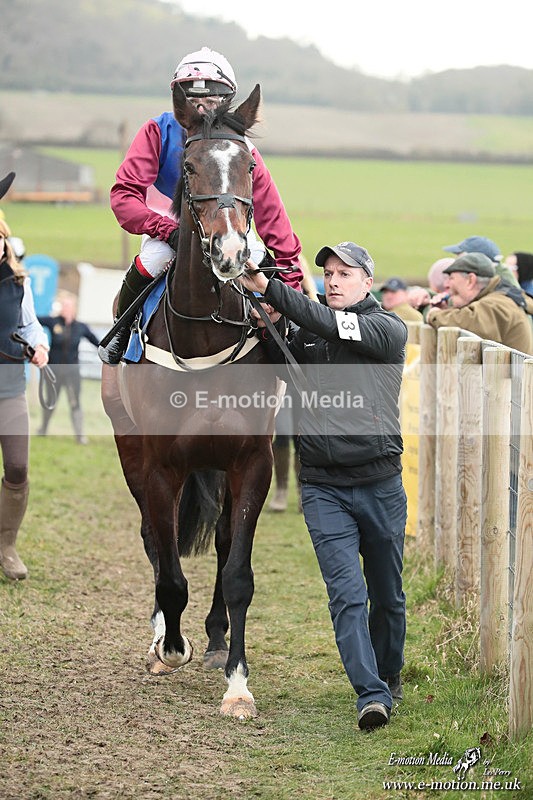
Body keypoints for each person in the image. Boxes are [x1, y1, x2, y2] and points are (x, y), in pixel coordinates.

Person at [240, 241, 408, 731]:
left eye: (344, 273)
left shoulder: (386, 329)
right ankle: (371, 694)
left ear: (367, 282)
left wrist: (270, 286)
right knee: (347, 594)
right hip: (323, 489)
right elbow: (287, 357)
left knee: (388, 594)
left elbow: (330, 324)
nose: (333, 281)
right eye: (328, 273)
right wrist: (268, 322)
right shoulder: (312, 334)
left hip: (379, 484)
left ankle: (390, 673)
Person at [100, 46, 303, 364]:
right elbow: (123, 197)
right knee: (153, 258)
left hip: (230, 225)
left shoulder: (241, 147)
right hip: (168, 225)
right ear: (180, 102)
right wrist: (166, 230)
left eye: (212, 100)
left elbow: (272, 214)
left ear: (226, 101)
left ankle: (282, 347)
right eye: (194, 100)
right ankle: (122, 333)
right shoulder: (157, 131)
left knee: (263, 269)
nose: (203, 108)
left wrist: (289, 286)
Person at [0, 213, 50, 580]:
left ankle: (6, 547)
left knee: (17, 468)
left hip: (10, 387)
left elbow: (29, 324)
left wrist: (40, 345)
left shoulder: (18, 282)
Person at [426, 252, 533, 354]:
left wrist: (434, 313)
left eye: (451, 278)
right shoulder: (497, 298)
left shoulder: (496, 304)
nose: (446, 285)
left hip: (510, 373)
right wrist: (447, 309)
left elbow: (465, 321)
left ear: (470, 280)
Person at [37, 291, 100, 444]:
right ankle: (43, 429)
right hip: (54, 371)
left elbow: (98, 343)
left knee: (74, 402)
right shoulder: (53, 322)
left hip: (72, 372)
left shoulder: (81, 327)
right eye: (63, 305)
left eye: (68, 305)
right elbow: (34, 320)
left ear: (74, 308)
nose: (65, 308)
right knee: (50, 401)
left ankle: (80, 436)